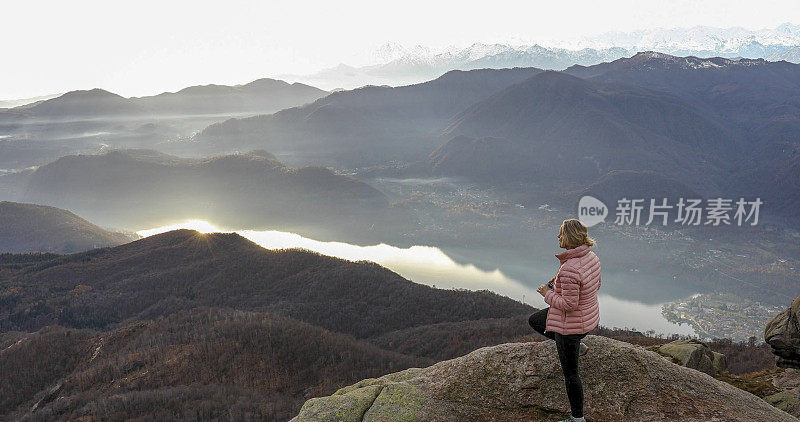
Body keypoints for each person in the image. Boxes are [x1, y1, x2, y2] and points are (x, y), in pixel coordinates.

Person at [528, 219, 601, 422]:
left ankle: (577, 419)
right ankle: (578, 347)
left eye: (560, 234)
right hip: (587, 318)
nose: (558, 237)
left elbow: (569, 305)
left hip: (570, 326)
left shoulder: (570, 268)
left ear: (568, 237)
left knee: (571, 375)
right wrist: (559, 284)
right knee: (536, 320)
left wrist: (547, 294)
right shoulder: (590, 256)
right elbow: (595, 285)